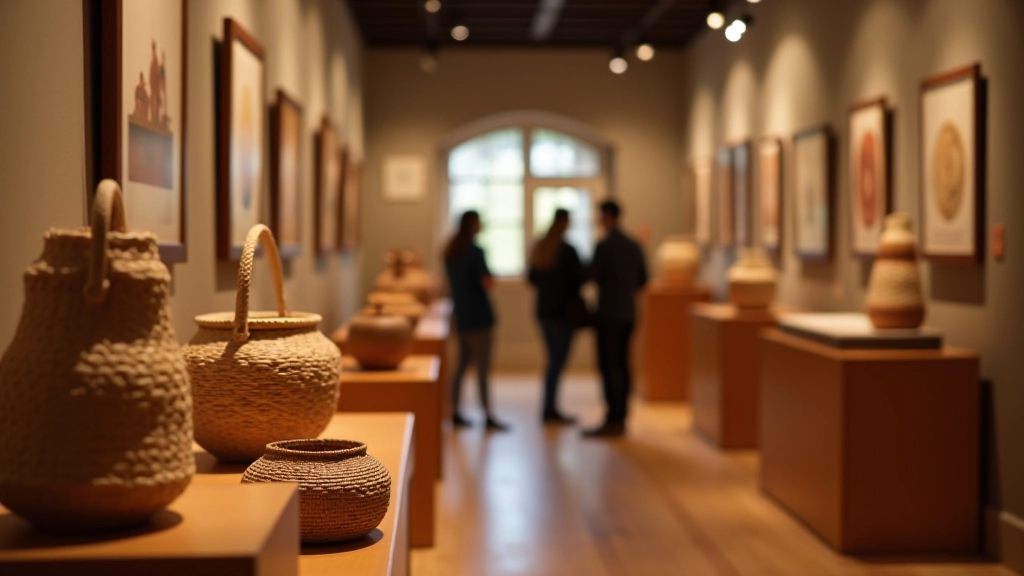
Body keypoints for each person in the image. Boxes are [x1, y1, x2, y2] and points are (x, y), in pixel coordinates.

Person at [584, 200, 648, 438]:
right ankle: (621, 416)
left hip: (608, 315)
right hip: (628, 314)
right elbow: (643, 279)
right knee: (623, 364)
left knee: (610, 366)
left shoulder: (605, 246)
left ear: (608, 216)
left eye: (600, 215)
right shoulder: (634, 245)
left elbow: (593, 276)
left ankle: (613, 417)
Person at [444, 211, 508, 431]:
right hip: (480, 318)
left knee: (461, 366)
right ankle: (488, 413)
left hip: (462, 316)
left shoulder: (451, 252)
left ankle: (454, 410)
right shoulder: (475, 251)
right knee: (483, 368)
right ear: (473, 225)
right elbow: (487, 282)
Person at [527, 209, 587, 424]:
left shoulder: (542, 248)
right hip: (563, 314)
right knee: (556, 362)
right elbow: (580, 279)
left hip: (545, 311)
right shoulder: (567, 251)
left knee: (553, 361)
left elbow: (531, 278)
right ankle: (550, 408)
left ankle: (549, 406)